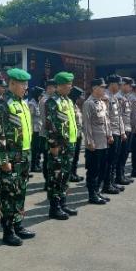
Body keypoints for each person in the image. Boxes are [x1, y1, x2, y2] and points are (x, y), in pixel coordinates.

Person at [0, 68, 36, 246]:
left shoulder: (22, 103)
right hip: (10, 159)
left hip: (24, 156)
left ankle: (18, 224)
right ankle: (8, 230)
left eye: (26, 84)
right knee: (8, 195)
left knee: (20, 192)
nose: (25, 87)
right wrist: (3, 161)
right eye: (22, 84)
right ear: (12, 84)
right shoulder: (3, 105)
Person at [44, 72, 79, 220]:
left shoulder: (68, 101)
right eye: (66, 85)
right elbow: (50, 126)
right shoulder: (52, 102)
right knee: (55, 177)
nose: (69, 87)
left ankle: (63, 203)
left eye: (70, 84)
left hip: (69, 144)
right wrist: (53, 146)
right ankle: (54, 207)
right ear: (58, 86)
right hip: (58, 147)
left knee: (65, 176)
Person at [82, 78, 112, 204]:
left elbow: (107, 121)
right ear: (95, 88)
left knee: (102, 169)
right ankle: (92, 194)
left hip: (104, 141)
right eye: (102, 87)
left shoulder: (101, 103)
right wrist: (89, 141)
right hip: (94, 143)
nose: (104, 89)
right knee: (93, 170)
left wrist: (110, 135)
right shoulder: (88, 104)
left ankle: (98, 191)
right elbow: (86, 124)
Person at [115, 77, 135, 185]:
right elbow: (118, 117)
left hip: (128, 128)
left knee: (125, 153)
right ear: (123, 85)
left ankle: (121, 175)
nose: (131, 88)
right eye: (129, 86)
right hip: (121, 130)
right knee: (120, 155)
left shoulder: (125, 97)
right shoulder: (118, 97)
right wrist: (122, 132)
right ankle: (118, 176)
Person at [39, 79, 57, 188]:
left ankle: (52, 179)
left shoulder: (53, 99)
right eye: (54, 87)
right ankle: (47, 181)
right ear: (49, 88)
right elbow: (46, 119)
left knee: (53, 158)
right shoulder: (44, 100)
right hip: (46, 134)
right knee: (47, 158)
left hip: (53, 134)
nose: (55, 90)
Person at [68, 86, 85, 183]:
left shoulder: (75, 105)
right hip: (72, 136)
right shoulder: (69, 105)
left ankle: (74, 173)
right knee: (72, 156)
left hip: (78, 134)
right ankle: (70, 174)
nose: (80, 99)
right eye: (79, 97)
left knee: (76, 156)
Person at [28, 86, 44, 173]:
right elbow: (29, 117)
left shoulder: (39, 103)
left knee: (39, 148)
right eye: (40, 95)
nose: (42, 97)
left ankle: (37, 163)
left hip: (39, 129)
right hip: (34, 130)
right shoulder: (32, 104)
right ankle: (34, 165)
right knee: (35, 149)